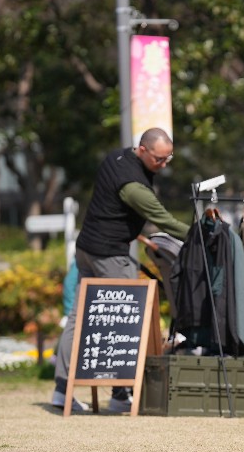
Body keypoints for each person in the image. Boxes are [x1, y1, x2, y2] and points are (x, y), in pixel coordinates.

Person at [51, 127, 190, 413]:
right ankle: (120, 393)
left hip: (86, 249)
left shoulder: (116, 157)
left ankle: (61, 390)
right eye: (159, 160)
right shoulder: (133, 186)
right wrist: (200, 234)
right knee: (126, 319)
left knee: (77, 319)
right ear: (143, 150)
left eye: (168, 159)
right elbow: (161, 218)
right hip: (109, 255)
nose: (163, 165)